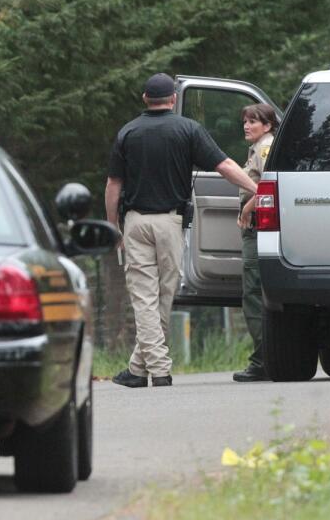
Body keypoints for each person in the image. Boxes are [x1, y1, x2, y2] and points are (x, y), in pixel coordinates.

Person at [105, 74, 258, 388]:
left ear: (145, 98)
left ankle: (140, 368)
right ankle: (157, 369)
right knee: (162, 295)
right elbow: (225, 166)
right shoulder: (188, 129)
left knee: (146, 296)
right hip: (171, 224)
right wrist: (258, 187)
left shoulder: (128, 132)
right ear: (173, 100)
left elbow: (113, 185)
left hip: (135, 222)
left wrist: (113, 226)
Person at [232, 103, 278, 382]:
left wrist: (247, 209)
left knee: (253, 291)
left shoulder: (264, 148)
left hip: (257, 222)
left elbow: (266, 186)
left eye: (253, 121)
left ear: (268, 125)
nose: (247, 126)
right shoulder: (258, 147)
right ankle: (265, 357)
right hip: (255, 222)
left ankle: (263, 359)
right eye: (245, 121)